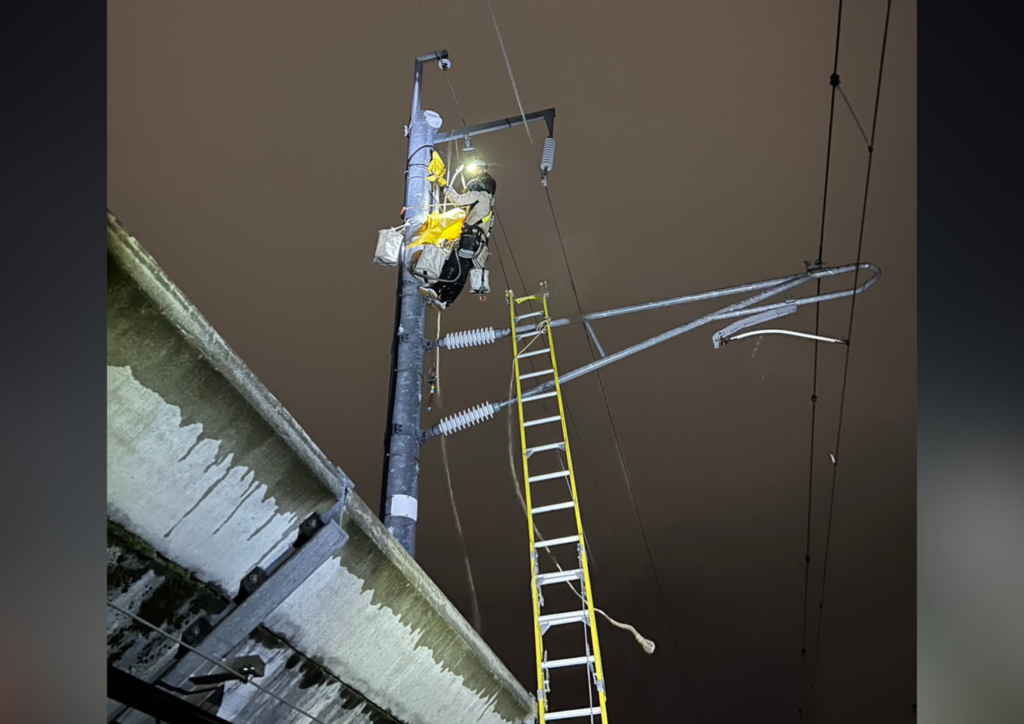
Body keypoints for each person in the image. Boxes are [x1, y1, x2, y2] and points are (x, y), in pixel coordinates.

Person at [419, 170, 496, 310]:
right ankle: (446, 300)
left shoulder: (480, 195)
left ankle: (436, 289)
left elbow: (458, 200)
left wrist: (444, 186)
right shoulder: (490, 205)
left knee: (454, 264)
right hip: (479, 245)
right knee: (463, 270)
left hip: (470, 237)